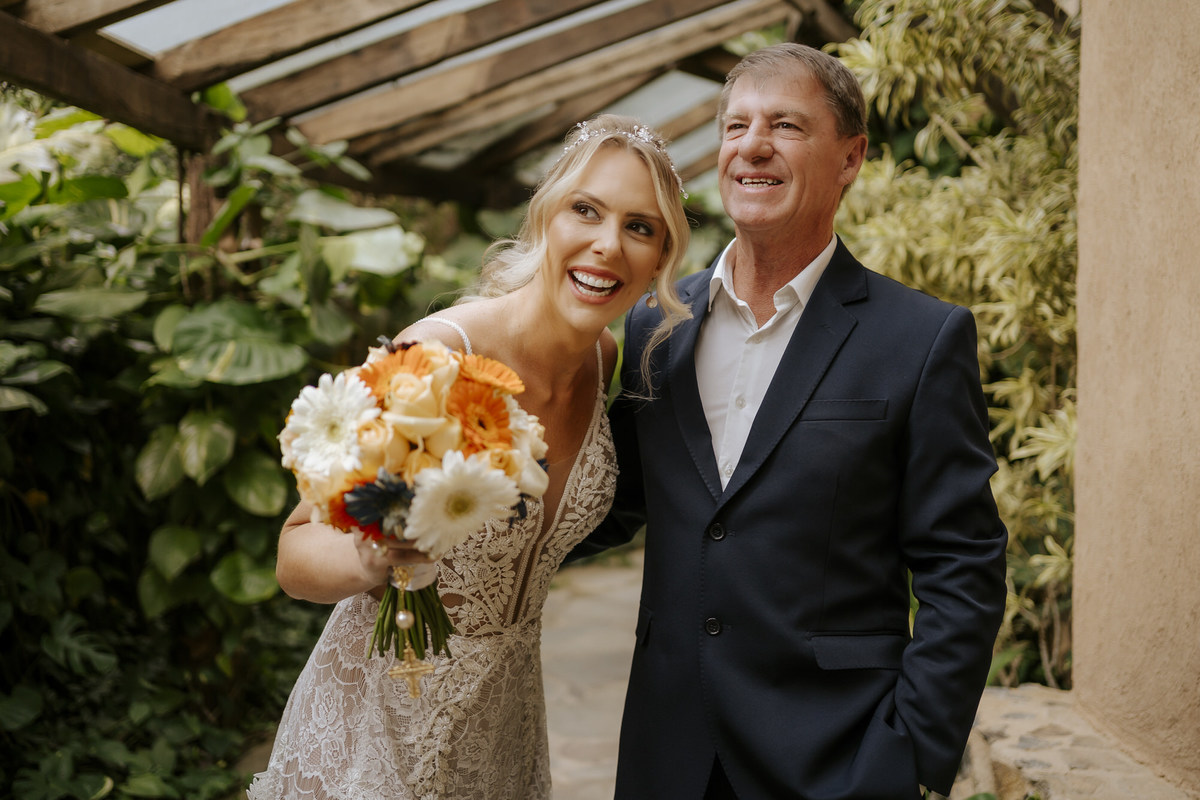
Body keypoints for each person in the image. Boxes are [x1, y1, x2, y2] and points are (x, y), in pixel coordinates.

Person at [574, 43, 1009, 799]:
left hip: (835, 759)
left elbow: (963, 567)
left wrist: (905, 756)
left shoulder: (922, 338)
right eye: (736, 125)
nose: (753, 146)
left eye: (785, 125)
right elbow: (610, 500)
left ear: (850, 158)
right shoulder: (654, 324)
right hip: (667, 753)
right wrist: (465, 531)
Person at [247, 114, 691, 800]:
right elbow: (294, 555)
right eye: (586, 210)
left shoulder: (604, 360)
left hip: (504, 732)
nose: (608, 245)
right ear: (546, 216)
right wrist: (374, 556)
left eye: (640, 227)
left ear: (661, 257)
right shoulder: (438, 356)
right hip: (379, 731)